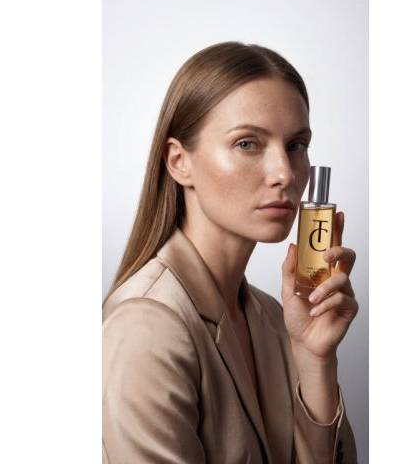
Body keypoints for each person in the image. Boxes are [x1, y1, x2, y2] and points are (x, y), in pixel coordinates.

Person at [103, 41, 359, 464]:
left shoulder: (274, 317)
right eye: (247, 143)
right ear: (179, 161)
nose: (284, 173)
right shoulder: (147, 326)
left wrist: (316, 359)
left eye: (296, 145)